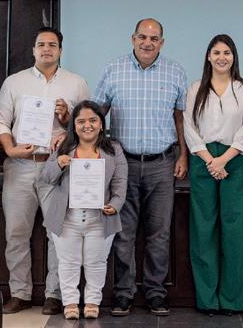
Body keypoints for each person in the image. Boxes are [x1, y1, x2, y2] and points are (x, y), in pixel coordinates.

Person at [93, 17, 188, 317]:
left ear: (162, 42)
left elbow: (180, 119)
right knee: (123, 233)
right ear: (133, 39)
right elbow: (96, 115)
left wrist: (183, 155)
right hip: (124, 164)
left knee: (159, 234)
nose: (148, 42)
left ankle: (156, 292)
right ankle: (123, 293)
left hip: (163, 163)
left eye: (154, 38)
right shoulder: (113, 69)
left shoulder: (175, 71)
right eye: (142, 37)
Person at [0, 27, 90, 315]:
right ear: (33, 49)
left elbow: (87, 126)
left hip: (56, 167)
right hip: (20, 166)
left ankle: (55, 294)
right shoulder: (14, 82)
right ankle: (19, 293)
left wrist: (67, 118)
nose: (46, 49)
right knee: (16, 233)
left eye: (52, 44)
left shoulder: (76, 83)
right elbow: (1, 122)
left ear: (60, 50)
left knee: (58, 234)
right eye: (41, 44)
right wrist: (10, 149)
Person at [183, 34, 243, 316]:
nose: (222, 57)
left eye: (227, 52)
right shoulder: (196, 89)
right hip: (203, 159)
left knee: (235, 230)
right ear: (208, 56)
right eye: (216, 52)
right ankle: (207, 299)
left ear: (234, 56)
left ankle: (232, 300)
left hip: (235, 160)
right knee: (203, 229)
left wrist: (223, 160)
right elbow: (189, 127)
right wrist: (210, 160)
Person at [39, 100, 127, 320]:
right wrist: (58, 164)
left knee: (96, 263)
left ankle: (92, 302)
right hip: (67, 217)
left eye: (93, 120)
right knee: (67, 262)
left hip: (100, 217)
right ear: (74, 125)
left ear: (101, 124)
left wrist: (115, 205)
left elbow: (120, 182)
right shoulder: (64, 147)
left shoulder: (113, 150)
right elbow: (46, 177)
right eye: (81, 121)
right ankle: (69, 302)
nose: (87, 125)